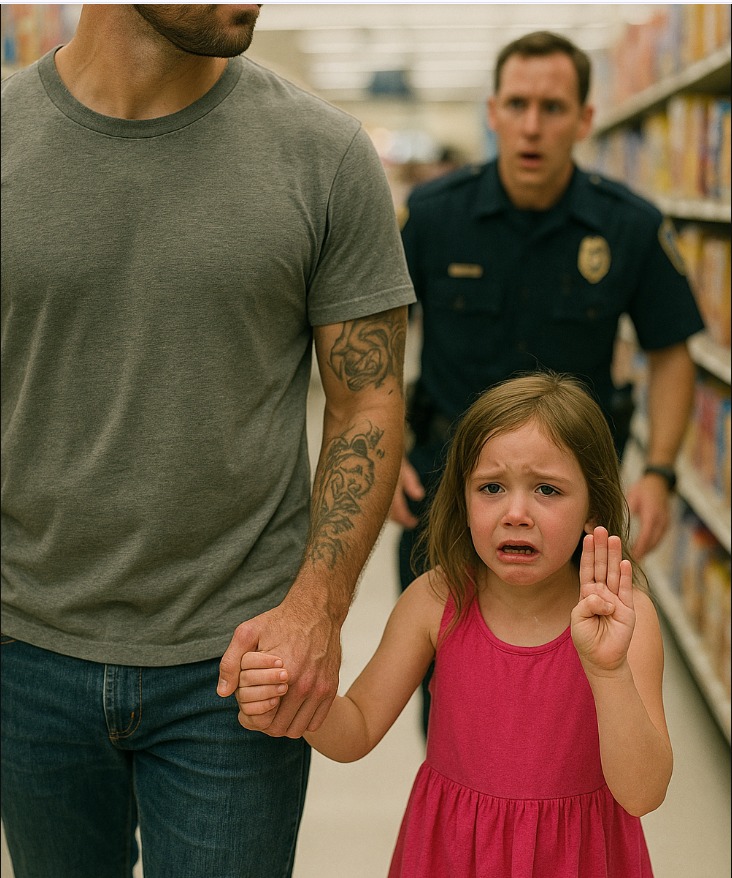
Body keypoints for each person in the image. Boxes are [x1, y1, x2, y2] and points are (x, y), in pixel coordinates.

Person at [1, 5, 414, 877]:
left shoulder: (326, 155)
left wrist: (319, 609)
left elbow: (367, 400)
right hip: (26, 653)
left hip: (244, 662)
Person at [237, 372, 673, 878]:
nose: (516, 513)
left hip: (579, 860)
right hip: (454, 855)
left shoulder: (624, 619)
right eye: (491, 487)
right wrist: (292, 692)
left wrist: (609, 672)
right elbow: (354, 728)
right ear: (462, 499)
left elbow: (643, 794)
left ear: (593, 506)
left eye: (547, 490)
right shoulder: (435, 600)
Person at [391, 29, 704, 733]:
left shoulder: (628, 226)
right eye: (519, 104)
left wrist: (658, 472)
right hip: (446, 490)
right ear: (493, 111)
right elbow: (373, 340)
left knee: (578, 695)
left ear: (586, 119)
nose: (533, 125)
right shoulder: (435, 217)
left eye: (554, 107)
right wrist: (379, 459)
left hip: (574, 507)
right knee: (448, 700)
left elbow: (672, 353)